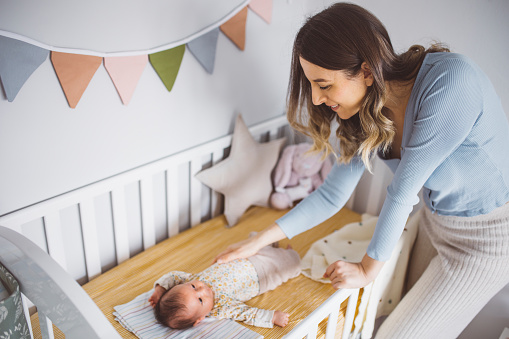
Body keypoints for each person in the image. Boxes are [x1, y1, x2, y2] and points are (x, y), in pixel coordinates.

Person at [214, 2, 509, 338]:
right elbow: (330, 195)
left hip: (488, 240)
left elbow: (402, 192)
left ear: (367, 72)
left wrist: (367, 268)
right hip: (436, 222)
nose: (314, 98)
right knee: (386, 310)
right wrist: (259, 241)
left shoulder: (450, 82)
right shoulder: (367, 114)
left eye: (323, 85)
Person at [148, 242, 301, 329]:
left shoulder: (191, 278)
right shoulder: (220, 306)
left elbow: (172, 276)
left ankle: (272, 246)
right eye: (201, 300)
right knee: (290, 264)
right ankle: (288, 253)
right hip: (263, 273)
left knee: (258, 242)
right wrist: (272, 317)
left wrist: (160, 289)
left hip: (244, 255)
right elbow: (246, 313)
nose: (203, 290)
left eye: (193, 287)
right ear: (199, 319)